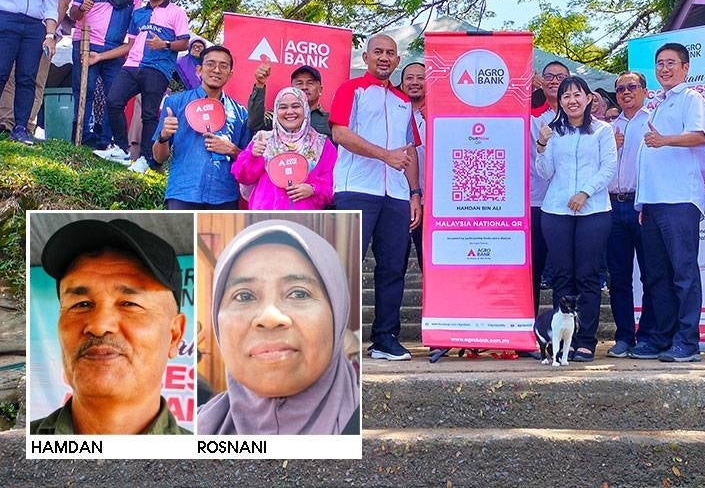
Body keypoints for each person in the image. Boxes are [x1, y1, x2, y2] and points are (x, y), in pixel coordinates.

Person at [198, 220, 360, 435]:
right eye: (244, 296)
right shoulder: (195, 430)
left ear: (337, 314)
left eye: (299, 293)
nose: (270, 316)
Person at [31, 218, 187, 434]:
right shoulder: (12, 452)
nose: (99, 326)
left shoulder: (209, 465)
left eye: (129, 304)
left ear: (175, 335)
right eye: (81, 304)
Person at [330, 34, 420, 361]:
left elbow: (410, 149)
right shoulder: (351, 89)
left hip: (396, 195)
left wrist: (414, 193)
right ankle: (336, 340)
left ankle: (385, 339)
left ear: (397, 61)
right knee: (345, 266)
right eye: (378, 52)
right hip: (356, 188)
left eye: (390, 54)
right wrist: (384, 155)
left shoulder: (403, 101)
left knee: (393, 267)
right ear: (366, 57)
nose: (384, 57)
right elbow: (339, 133)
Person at [631, 42, 705, 363]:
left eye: (671, 63)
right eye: (659, 63)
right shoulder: (658, 105)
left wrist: (664, 140)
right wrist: (641, 204)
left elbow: (700, 135)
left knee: (684, 273)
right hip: (652, 204)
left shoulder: (692, 98)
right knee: (657, 276)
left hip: (680, 200)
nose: (664, 68)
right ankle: (661, 338)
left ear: (685, 68)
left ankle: (688, 341)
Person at [536, 76, 616, 362]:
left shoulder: (602, 131)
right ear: (561, 101)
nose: (572, 100)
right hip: (556, 211)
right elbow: (545, 173)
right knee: (562, 277)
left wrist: (585, 192)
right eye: (566, 96)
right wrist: (542, 145)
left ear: (588, 99)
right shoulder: (553, 132)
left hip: (593, 212)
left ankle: (586, 341)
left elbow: (609, 167)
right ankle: (562, 341)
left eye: (577, 95)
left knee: (587, 276)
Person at [96, 0, 191, 171]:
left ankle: (146, 160)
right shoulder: (138, 13)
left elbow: (184, 43)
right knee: (113, 101)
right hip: (131, 65)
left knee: (149, 114)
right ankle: (122, 149)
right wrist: (105, 56)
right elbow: (130, 43)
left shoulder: (176, 12)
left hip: (157, 68)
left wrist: (164, 44)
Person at [152, 45, 250, 207]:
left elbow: (248, 163)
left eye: (223, 66)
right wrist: (163, 137)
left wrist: (231, 149)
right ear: (199, 69)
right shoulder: (175, 103)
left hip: (224, 196)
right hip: (183, 193)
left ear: (230, 74)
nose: (216, 70)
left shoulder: (241, 113)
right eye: (210, 64)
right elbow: (158, 157)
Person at [67, 0, 142, 147]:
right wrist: (83, 8)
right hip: (85, 42)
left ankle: (107, 139)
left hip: (114, 49)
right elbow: (73, 15)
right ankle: (81, 134)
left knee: (115, 95)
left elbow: (135, 29)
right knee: (84, 89)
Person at [0, 0, 74, 136]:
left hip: (35, 27)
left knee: (27, 77)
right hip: (6, 21)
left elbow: (52, 6)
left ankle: (22, 127)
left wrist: (50, 35)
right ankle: (5, 122)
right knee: (2, 72)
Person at [604, 71, 654, 358]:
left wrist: (646, 203)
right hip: (612, 205)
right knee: (619, 277)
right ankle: (624, 336)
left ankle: (647, 335)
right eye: (620, 89)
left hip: (642, 204)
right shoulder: (607, 128)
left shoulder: (653, 121)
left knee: (650, 274)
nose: (625, 92)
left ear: (644, 91)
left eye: (631, 87)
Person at [232, 86, 335, 210]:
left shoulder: (321, 144)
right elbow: (244, 178)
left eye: (296, 106)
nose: (289, 112)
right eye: (283, 107)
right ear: (276, 111)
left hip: (305, 220)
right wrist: (252, 156)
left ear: (306, 109)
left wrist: (313, 189)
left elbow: (333, 184)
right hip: (265, 217)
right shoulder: (263, 140)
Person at [529, 61, 568, 308]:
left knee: (565, 271)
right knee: (532, 268)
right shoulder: (529, 114)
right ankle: (528, 333)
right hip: (534, 201)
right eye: (549, 76)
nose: (554, 81)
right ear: (541, 81)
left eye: (560, 77)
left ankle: (563, 330)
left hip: (568, 204)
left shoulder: (577, 116)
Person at [247, 60, 332, 137]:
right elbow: (255, 124)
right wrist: (260, 84)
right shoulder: (280, 115)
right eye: (299, 83)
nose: (304, 87)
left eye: (310, 83)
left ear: (320, 89)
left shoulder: (330, 121)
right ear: (291, 88)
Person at [399, 61, 426, 269]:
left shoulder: (442, 115)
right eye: (409, 78)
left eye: (420, 77)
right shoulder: (394, 112)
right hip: (399, 198)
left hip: (434, 202)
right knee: (395, 261)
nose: (415, 82)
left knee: (430, 263)